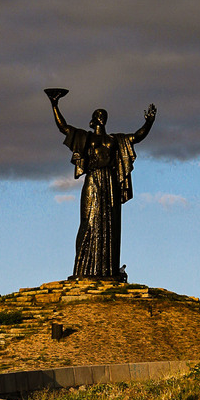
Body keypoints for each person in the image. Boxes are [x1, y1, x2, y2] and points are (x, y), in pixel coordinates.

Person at [48, 94, 157, 278]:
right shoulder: (86, 138)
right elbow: (63, 128)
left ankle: (107, 271)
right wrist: (54, 104)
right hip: (92, 181)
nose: (102, 116)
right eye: (99, 114)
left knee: (110, 225)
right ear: (95, 119)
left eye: (103, 115)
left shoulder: (115, 140)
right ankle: (83, 269)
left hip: (110, 183)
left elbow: (136, 137)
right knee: (89, 223)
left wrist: (149, 122)